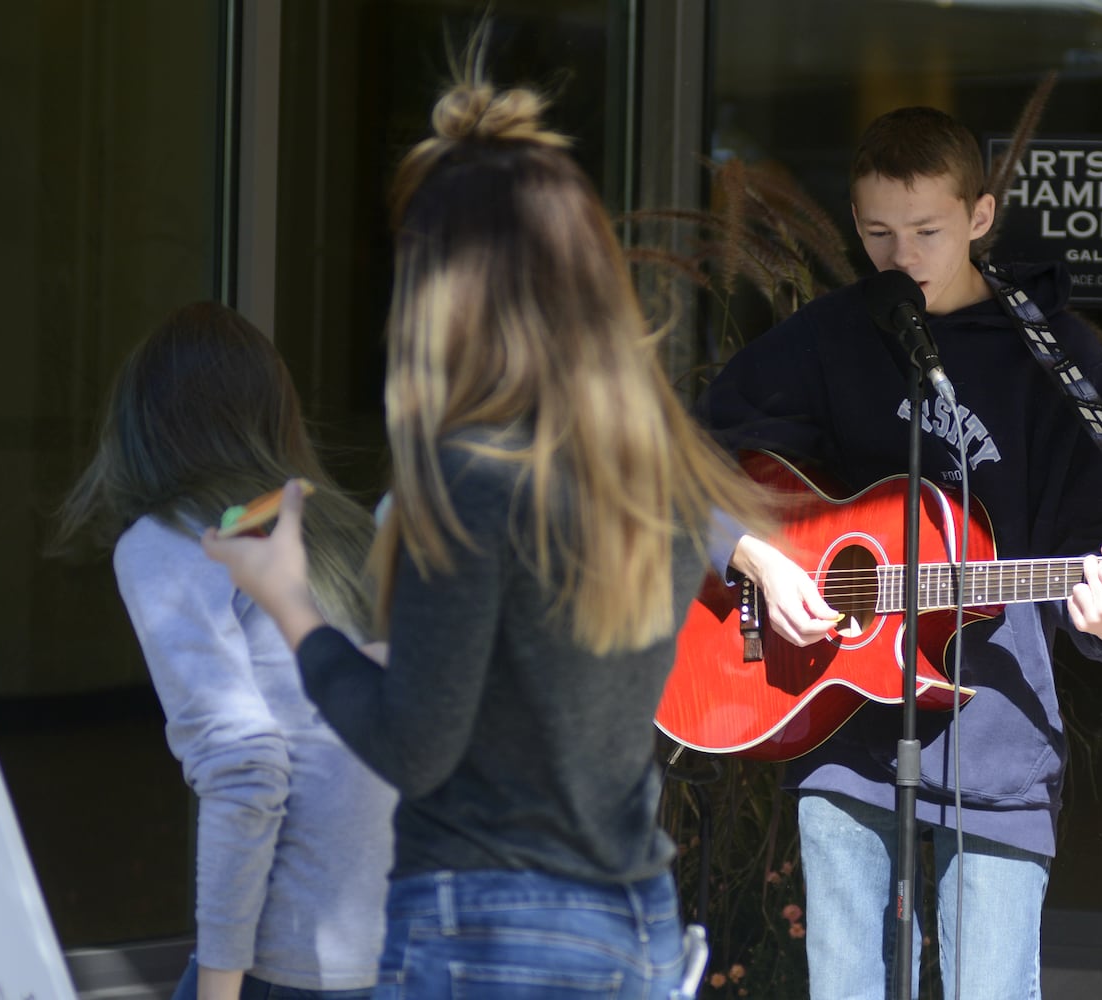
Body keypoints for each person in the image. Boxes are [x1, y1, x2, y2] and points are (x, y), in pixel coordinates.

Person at [201, 74, 770, 999]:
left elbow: (415, 746)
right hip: (635, 926)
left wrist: (289, 604)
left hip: (490, 928)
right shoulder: (653, 471)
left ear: (445, 287)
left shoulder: (470, 475)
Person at [695, 106, 1102, 999]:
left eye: (926, 231)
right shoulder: (829, 337)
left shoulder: (1051, 355)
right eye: (876, 232)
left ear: (981, 217)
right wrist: (755, 555)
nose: (899, 256)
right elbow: (677, 463)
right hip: (838, 718)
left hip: (999, 737)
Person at [55, 302, 395, 1000]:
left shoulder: (168, 539)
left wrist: (217, 988)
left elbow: (245, 768)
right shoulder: (344, 525)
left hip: (292, 964)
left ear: (142, 423)